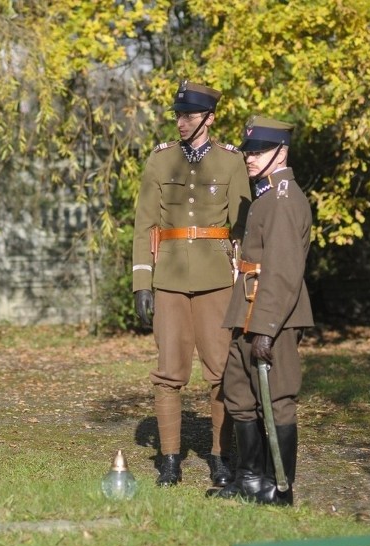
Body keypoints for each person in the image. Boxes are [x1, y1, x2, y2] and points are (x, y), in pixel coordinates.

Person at [132, 80, 251, 487]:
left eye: (189, 115)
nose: (181, 122)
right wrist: (142, 282)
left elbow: (243, 229)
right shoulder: (160, 161)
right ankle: (169, 460)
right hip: (168, 279)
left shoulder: (231, 162)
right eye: (178, 115)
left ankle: (220, 456)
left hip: (217, 280)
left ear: (209, 119)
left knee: (221, 373)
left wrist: (245, 282)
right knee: (169, 373)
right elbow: (144, 224)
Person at [212, 116, 314, 506]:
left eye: (259, 151)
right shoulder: (266, 196)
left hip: (273, 313)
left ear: (281, 152)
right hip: (248, 308)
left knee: (277, 398)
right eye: (248, 151)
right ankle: (250, 480)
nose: (250, 158)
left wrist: (267, 328)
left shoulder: (286, 200)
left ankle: (278, 486)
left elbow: (285, 271)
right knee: (239, 393)